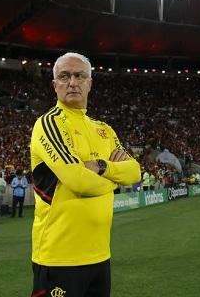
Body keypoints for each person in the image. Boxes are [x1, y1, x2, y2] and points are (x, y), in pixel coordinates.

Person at [30, 52, 141, 297]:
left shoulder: (104, 130)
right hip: (59, 258)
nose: (72, 82)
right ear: (55, 85)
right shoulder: (49, 124)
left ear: (89, 83)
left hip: (100, 256)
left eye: (80, 76)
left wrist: (102, 167)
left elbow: (135, 172)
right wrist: (115, 181)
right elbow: (79, 181)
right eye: (64, 76)